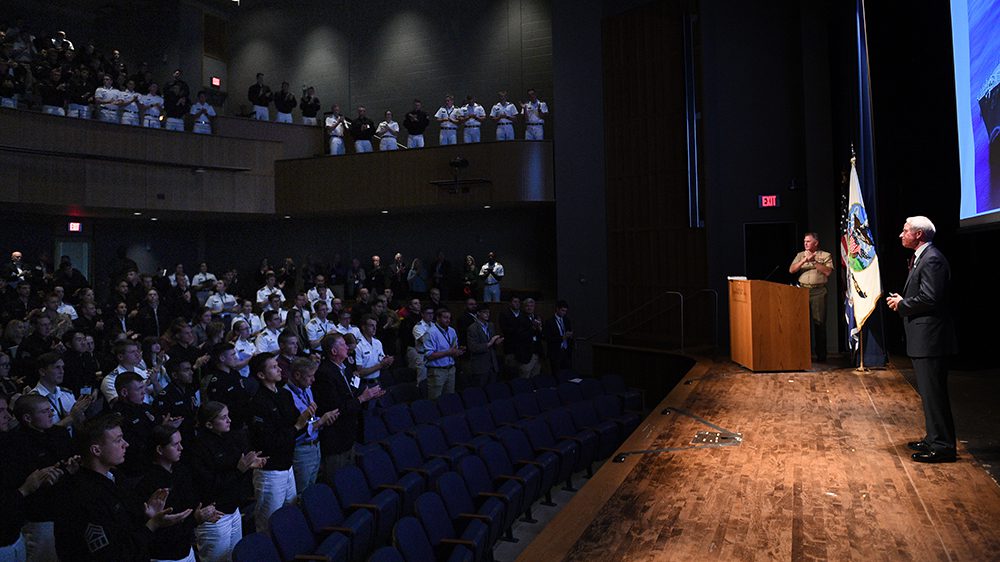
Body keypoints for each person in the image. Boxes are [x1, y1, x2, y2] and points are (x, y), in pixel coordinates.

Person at [53, 413, 193, 561]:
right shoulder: (82, 495)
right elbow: (111, 555)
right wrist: (152, 525)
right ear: (96, 450)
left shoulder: (116, 477)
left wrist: (146, 515)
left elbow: (127, 525)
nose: (126, 444)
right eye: (118, 440)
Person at [886, 216, 958, 463]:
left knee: (934, 393)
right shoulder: (923, 258)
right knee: (928, 394)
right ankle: (933, 437)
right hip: (923, 337)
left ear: (918, 235)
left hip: (932, 338)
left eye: (905, 230)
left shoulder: (933, 260)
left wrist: (902, 304)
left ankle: (943, 446)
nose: (900, 234)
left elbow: (931, 298)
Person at [247, 353, 318, 531]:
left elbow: (297, 425)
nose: (279, 369)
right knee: (269, 523)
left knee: (289, 514)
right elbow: (270, 440)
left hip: (288, 465)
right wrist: (298, 425)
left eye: (278, 365)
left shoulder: (284, 394)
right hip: (270, 470)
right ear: (261, 375)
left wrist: (305, 420)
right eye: (273, 367)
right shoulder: (258, 402)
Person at [186, 402, 263, 562]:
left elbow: (235, 467)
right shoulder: (199, 448)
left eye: (228, 415)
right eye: (223, 418)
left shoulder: (227, 437)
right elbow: (209, 485)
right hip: (215, 516)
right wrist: (239, 470)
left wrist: (249, 466)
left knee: (235, 557)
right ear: (208, 424)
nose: (229, 420)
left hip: (233, 509)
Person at [137, 425, 220, 562]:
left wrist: (204, 513)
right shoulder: (149, 484)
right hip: (165, 556)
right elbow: (164, 531)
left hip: (186, 549)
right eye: (175, 444)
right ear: (159, 449)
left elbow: (190, 503)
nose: (181, 448)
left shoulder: (181, 470)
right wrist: (196, 519)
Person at [312, 333, 383, 481]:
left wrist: (367, 394)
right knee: (336, 478)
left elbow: (352, 390)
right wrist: (363, 398)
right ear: (334, 351)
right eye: (343, 344)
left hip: (349, 431)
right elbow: (335, 408)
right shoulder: (324, 373)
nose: (347, 347)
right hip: (336, 436)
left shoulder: (345, 367)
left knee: (348, 475)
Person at [284, 357, 338, 494]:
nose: (313, 380)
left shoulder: (307, 389)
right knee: (302, 492)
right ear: (297, 375)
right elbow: (297, 425)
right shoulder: (286, 395)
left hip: (315, 445)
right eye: (310, 376)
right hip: (301, 450)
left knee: (312, 488)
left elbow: (311, 417)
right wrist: (321, 421)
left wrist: (323, 420)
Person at [788, 232, 833, 362]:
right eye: (804, 241)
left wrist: (813, 262)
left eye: (808, 241)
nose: (805, 243)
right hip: (802, 291)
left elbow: (828, 271)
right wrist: (804, 260)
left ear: (816, 243)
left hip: (818, 291)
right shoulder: (800, 255)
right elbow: (792, 270)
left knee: (819, 323)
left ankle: (821, 356)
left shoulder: (825, 255)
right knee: (800, 324)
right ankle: (801, 355)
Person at [423, 308, 464, 399]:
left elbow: (453, 349)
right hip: (437, 371)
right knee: (435, 400)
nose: (448, 320)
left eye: (449, 318)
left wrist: (457, 352)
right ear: (437, 318)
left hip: (451, 369)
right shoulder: (431, 333)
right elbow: (429, 355)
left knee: (449, 399)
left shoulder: (452, 331)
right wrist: (448, 352)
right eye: (445, 317)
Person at [467, 305, 502, 388]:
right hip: (480, 366)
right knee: (480, 392)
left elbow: (492, 344)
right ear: (478, 313)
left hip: (492, 365)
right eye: (484, 312)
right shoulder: (472, 328)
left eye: (488, 312)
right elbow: (473, 347)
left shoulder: (491, 325)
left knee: (492, 390)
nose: (487, 314)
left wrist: (496, 343)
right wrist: (489, 343)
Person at [355, 314, 394, 386]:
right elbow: (359, 372)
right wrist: (380, 365)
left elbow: (382, 363)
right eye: (371, 325)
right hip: (364, 383)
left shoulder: (377, 342)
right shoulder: (358, 345)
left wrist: (387, 362)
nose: (374, 328)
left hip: (378, 381)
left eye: (375, 325)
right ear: (363, 327)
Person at [543, 300, 574, 376]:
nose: (564, 313)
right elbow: (548, 338)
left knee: (567, 373)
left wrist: (570, 336)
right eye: (562, 310)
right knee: (556, 374)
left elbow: (569, 332)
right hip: (555, 352)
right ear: (557, 309)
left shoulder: (566, 320)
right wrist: (562, 337)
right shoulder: (549, 322)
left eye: (565, 311)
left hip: (566, 351)